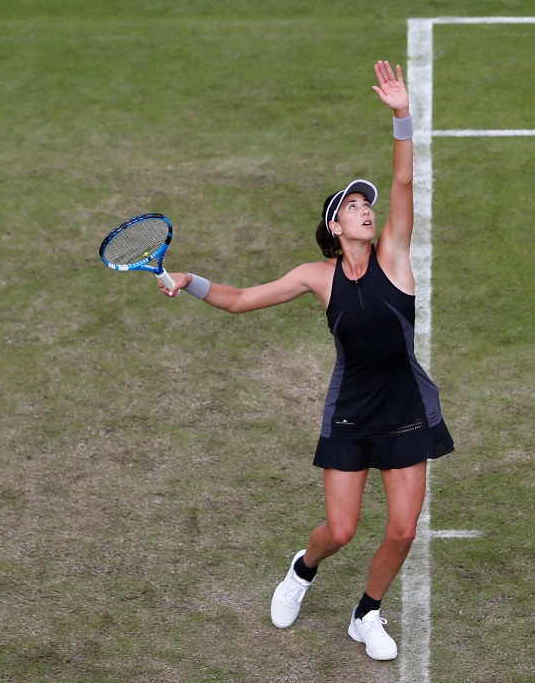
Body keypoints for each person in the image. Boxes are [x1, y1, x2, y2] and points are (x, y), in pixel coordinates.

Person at [157, 60, 454, 661]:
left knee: (401, 529)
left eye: (367, 207)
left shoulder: (395, 255)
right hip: (350, 412)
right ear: (334, 224)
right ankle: (303, 567)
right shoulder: (316, 277)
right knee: (340, 531)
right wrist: (190, 280)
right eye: (354, 207)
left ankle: (367, 614)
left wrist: (402, 116)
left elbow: (403, 184)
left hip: (405, 409)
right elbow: (240, 301)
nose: (367, 211)